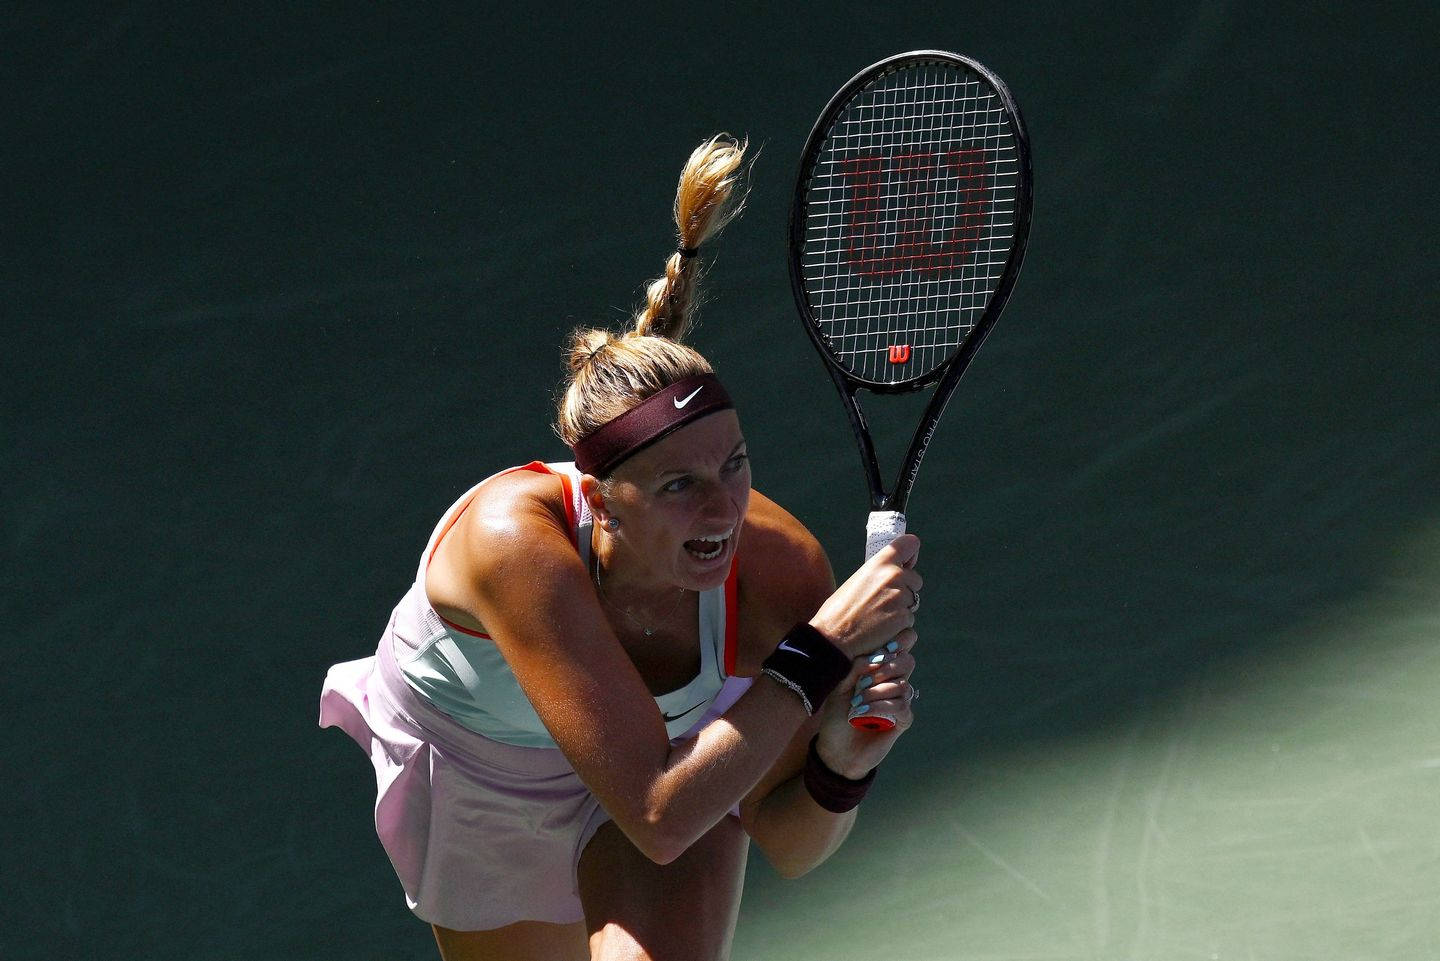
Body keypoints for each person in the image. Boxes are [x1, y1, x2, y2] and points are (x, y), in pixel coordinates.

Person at [319, 135, 923, 961]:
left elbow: (790, 844)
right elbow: (660, 813)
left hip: (671, 767)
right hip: (484, 777)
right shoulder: (512, 544)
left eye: (736, 463)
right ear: (602, 503)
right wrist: (817, 654)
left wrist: (844, 764)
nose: (724, 506)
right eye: (679, 485)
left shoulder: (779, 570)